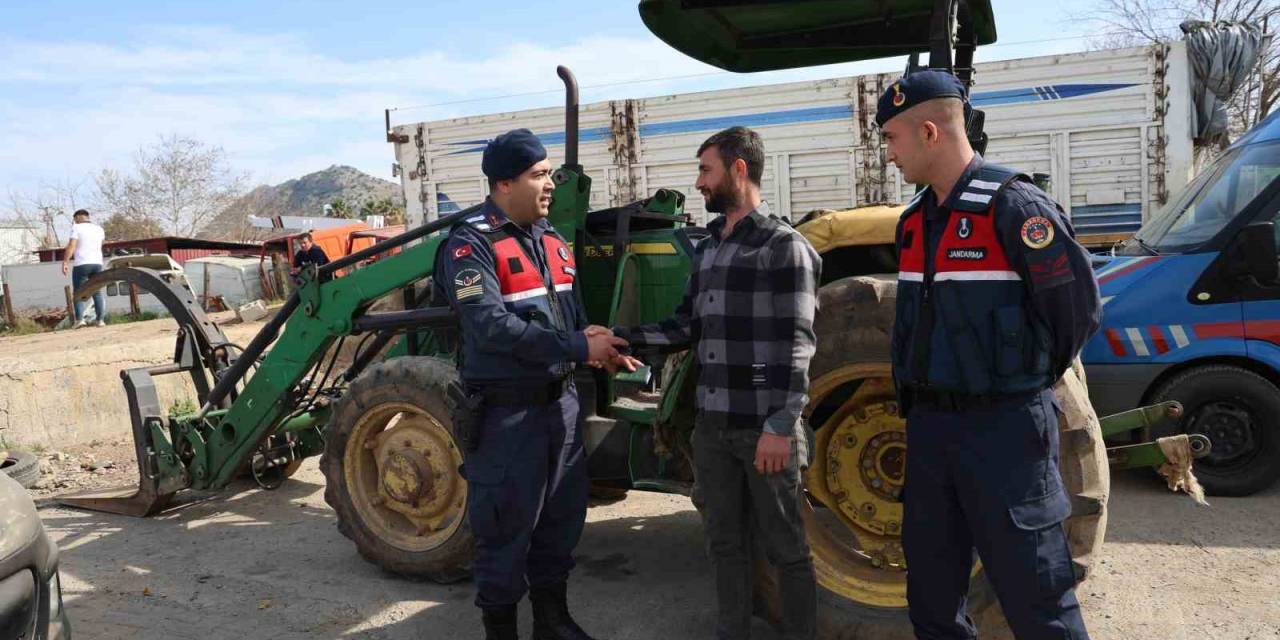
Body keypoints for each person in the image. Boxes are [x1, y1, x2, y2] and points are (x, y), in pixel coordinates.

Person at [878, 70, 1100, 639]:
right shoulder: (912, 224)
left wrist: (1020, 383)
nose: (889, 155)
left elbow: (1075, 312)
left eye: (892, 140)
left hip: (1004, 434)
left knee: (1038, 600)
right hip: (929, 435)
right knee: (932, 601)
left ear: (929, 131)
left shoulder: (1016, 208)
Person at [607, 126, 821, 640]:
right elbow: (685, 326)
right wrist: (618, 339)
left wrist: (779, 426)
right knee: (724, 543)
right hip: (714, 428)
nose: (699, 183)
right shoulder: (710, 247)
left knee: (786, 548)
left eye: (706, 170)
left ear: (739, 170)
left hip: (764, 431)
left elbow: (798, 346)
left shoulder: (783, 247)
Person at [433, 128, 626, 640]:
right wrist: (578, 348)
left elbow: (569, 320)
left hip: (560, 407)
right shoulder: (469, 244)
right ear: (502, 183)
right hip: (507, 417)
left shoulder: (553, 243)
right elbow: (490, 327)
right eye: (538, 175)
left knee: (560, 523)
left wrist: (595, 341)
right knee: (503, 533)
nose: (550, 186)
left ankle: (552, 621)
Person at [61, 208, 107, 327]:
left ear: (77, 217)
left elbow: (72, 245)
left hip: (82, 264)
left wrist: (65, 262)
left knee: (78, 292)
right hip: (97, 263)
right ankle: (100, 320)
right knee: (96, 291)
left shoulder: (76, 228)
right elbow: (101, 244)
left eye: (74, 219)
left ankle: (80, 320)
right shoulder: (99, 229)